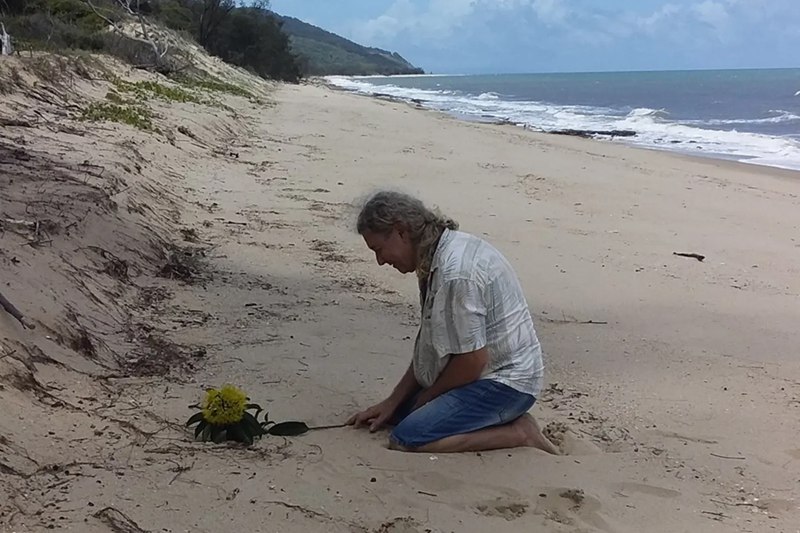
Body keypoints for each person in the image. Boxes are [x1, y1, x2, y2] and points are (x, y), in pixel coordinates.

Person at [346, 190, 559, 454]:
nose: (380, 261)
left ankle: (519, 433)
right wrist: (392, 402)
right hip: (481, 376)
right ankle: (492, 420)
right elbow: (430, 346)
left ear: (401, 231)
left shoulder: (454, 273)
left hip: (505, 384)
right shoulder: (433, 256)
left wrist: (427, 398)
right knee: (398, 416)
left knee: (408, 437)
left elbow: (472, 361)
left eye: (379, 249)